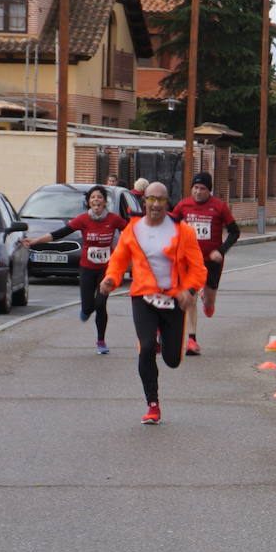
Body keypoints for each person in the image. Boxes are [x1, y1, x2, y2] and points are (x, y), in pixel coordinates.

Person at [97, 182, 205, 425]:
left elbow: (198, 268)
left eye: (161, 200)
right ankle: (152, 405)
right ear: (144, 201)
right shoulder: (133, 230)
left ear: (168, 203)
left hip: (174, 299)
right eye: (151, 199)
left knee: (172, 360)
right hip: (143, 296)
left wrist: (189, 290)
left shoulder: (183, 231)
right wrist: (110, 279)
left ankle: (163, 335)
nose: (156, 204)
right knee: (145, 348)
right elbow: (119, 260)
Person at [24, 184, 129, 353]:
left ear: (105, 202)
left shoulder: (113, 219)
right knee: (88, 307)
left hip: (106, 269)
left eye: (100, 197)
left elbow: (131, 230)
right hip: (87, 268)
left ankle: (101, 341)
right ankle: (86, 310)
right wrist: (35, 241)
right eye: (93, 197)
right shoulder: (82, 220)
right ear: (88, 202)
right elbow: (59, 233)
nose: (96, 200)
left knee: (101, 304)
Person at [170, 172, 238, 356]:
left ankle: (207, 302)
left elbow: (234, 232)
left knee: (208, 301)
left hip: (212, 261)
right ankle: (192, 340)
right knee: (189, 299)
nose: (198, 192)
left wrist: (221, 251)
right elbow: (170, 225)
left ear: (209, 191)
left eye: (203, 189)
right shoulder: (183, 205)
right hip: (190, 261)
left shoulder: (219, 207)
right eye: (196, 188)